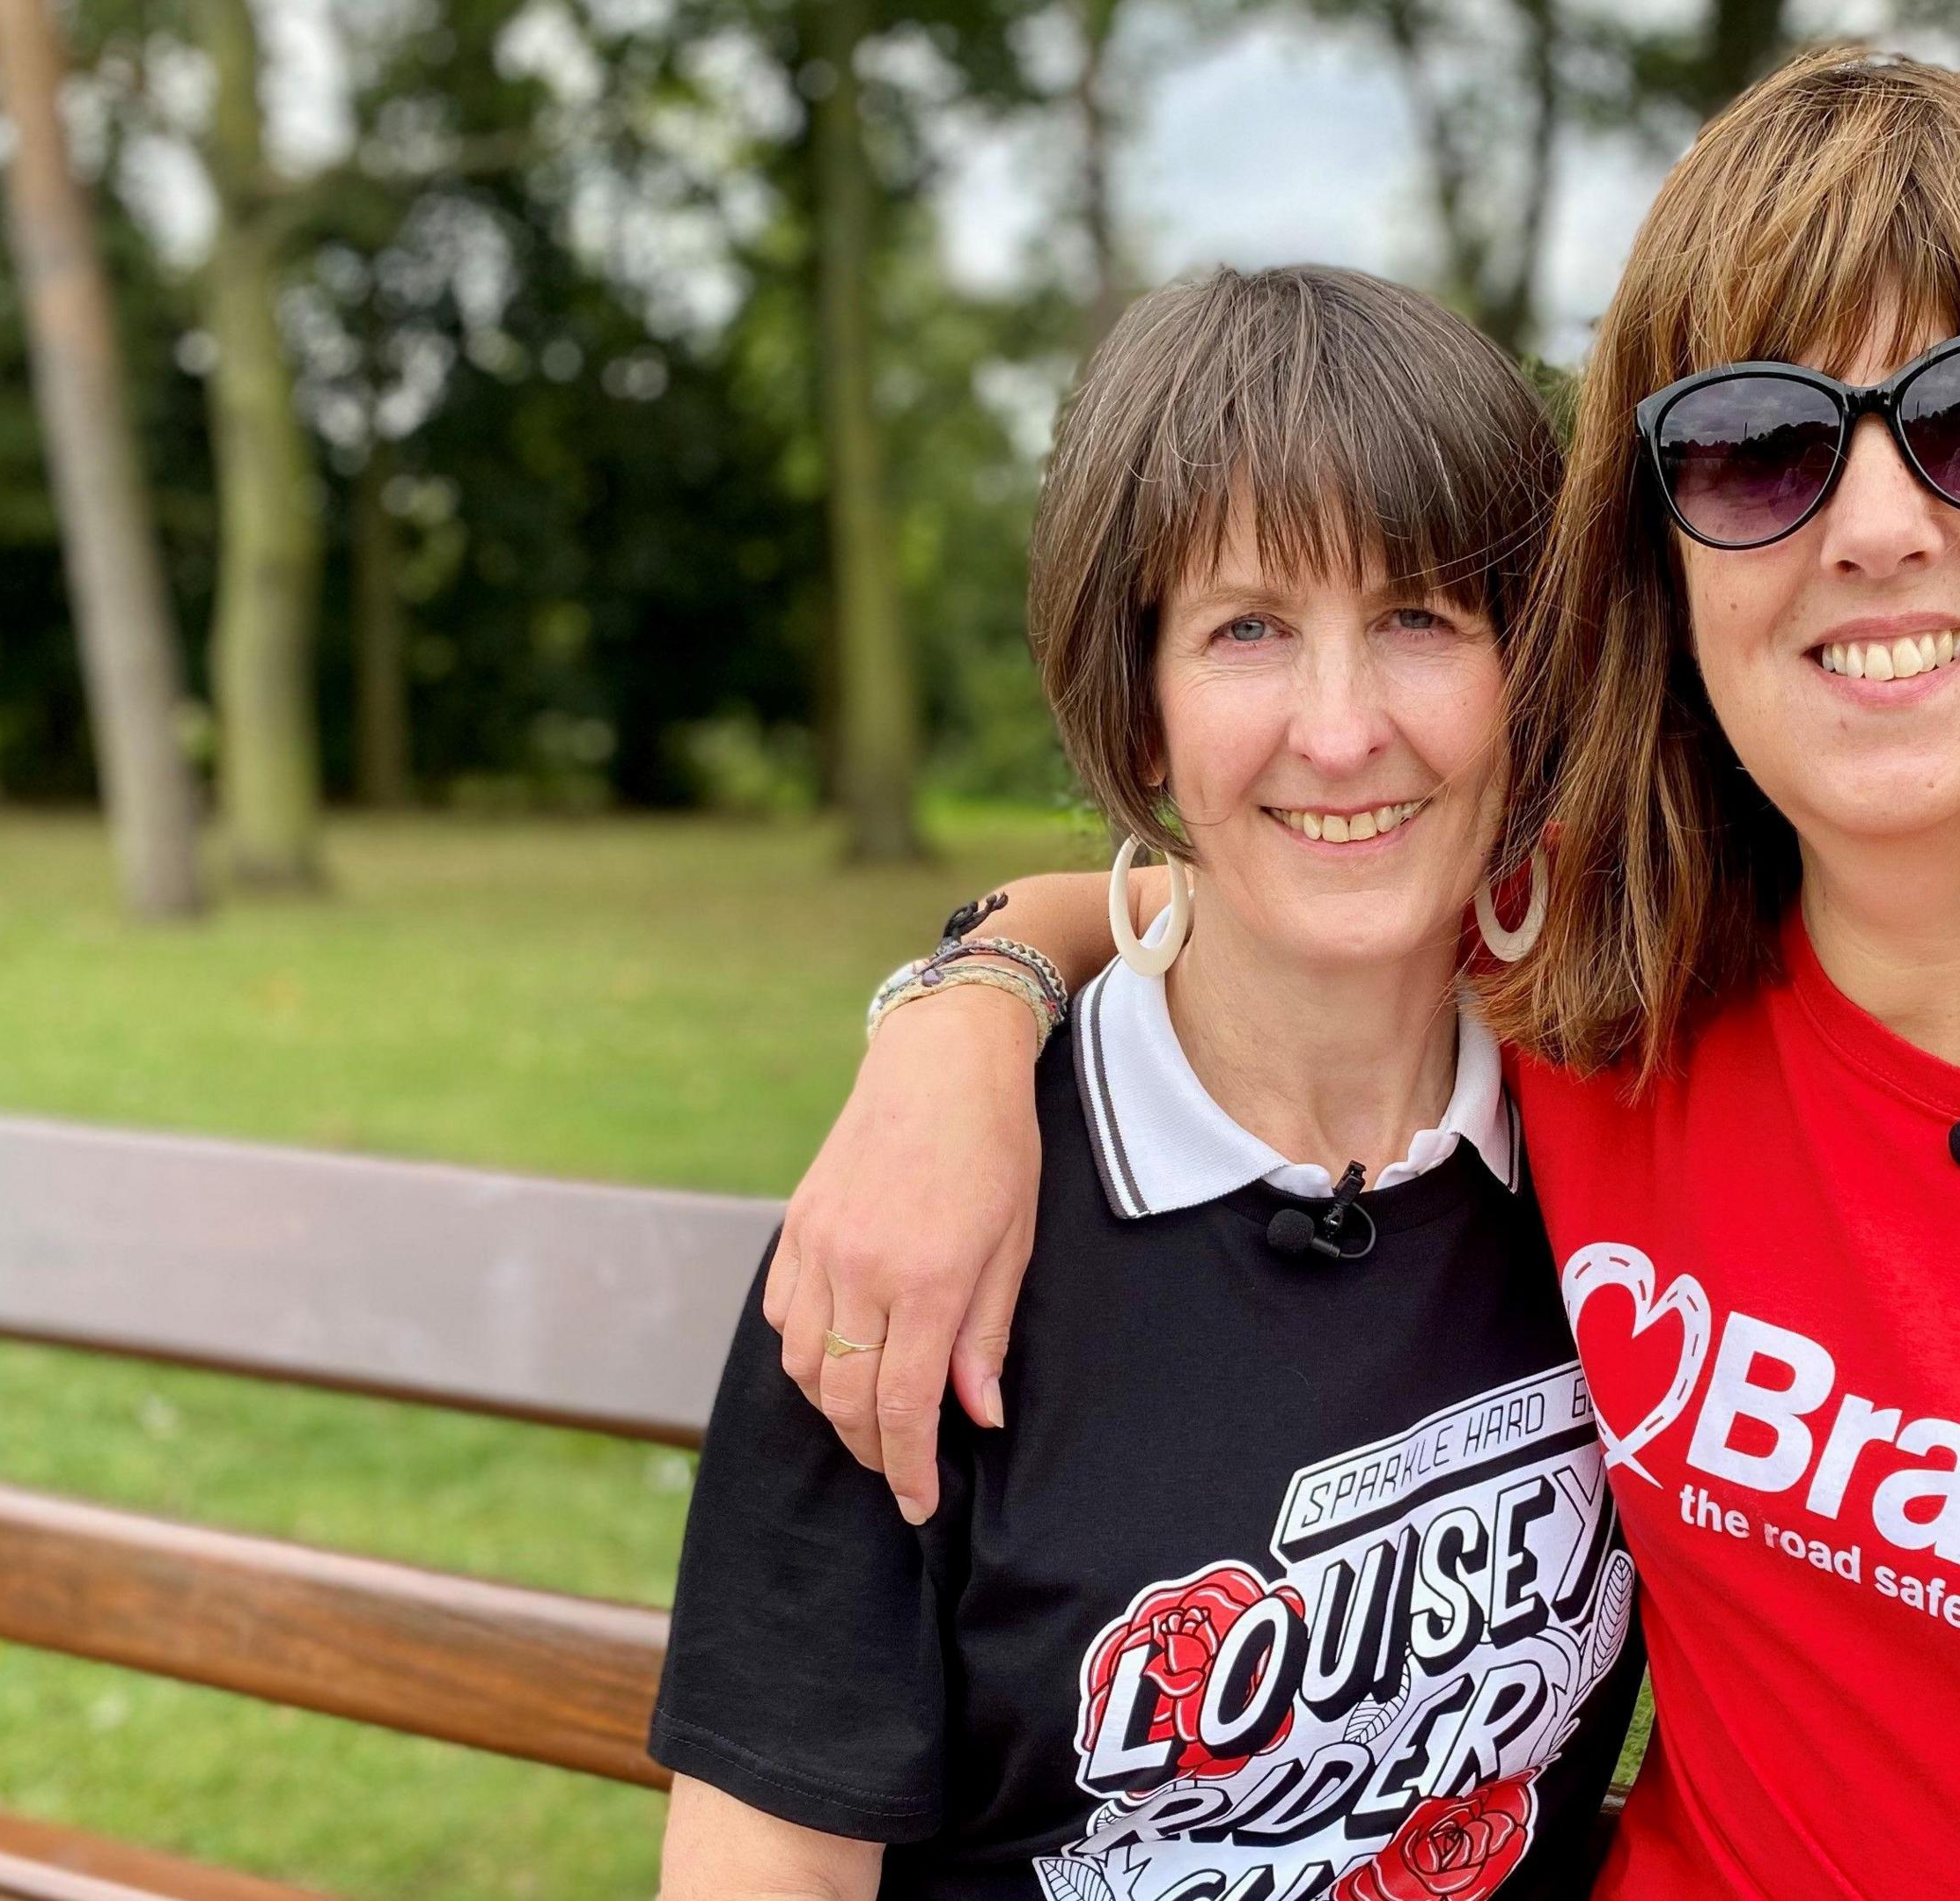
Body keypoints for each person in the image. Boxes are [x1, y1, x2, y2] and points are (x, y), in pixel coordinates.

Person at [761, 52, 1960, 1898]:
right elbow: (1254, 873)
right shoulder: (1605, 980)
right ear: (1657, 554)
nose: (1880, 525)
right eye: (1758, 449)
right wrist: (968, 1008)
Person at [651, 266, 1643, 1901]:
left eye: (1419, 618)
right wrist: (967, 1007)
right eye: (1248, 628)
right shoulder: (928, 1235)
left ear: (1528, 674)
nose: (1341, 732)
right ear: (1143, 704)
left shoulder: (1619, 1137)